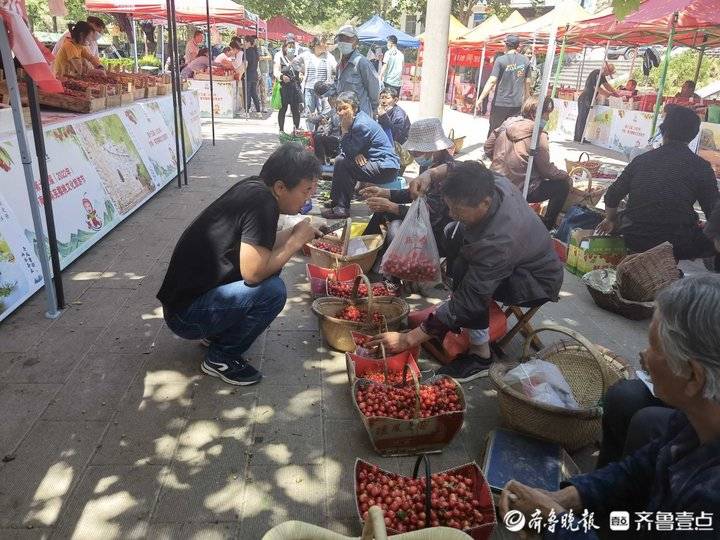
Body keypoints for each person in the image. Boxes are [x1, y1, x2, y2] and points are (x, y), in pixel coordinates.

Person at [498, 274, 720, 539]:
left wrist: (557, 525)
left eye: (653, 346)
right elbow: (641, 467)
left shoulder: (708, 499)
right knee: (637, 410)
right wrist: (567, 496)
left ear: (694, 376)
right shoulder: (694, 419)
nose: (644, 356)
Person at [369, 161, 563, 382]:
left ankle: (480, 356)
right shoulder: (489, 182)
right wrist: (429, 175)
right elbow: (454, 168)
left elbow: (472, 295)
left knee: (466, 276)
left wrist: (408, 340)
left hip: (534, 282)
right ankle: (452, 313)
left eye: (457, 209)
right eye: (450, 206)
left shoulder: (498, 242)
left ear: (485, 203)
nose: (451, 213)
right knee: (454, 236)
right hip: (517, 259)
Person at [157, 143, 322, 386]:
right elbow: (254, 273)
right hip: (185, 316)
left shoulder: (256, 188)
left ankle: (216, 332)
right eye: (306, 190)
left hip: (184, 304)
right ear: (280, 187)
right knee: (273, 291)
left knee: (274, 265)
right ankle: (221, 357)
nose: (309, 197)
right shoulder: (262, 204)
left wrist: (294, 232)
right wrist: (296, 242)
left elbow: (259, 246)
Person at [597, 105, 719, 263]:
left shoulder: (641, 160)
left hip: (634, 236)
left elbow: (612, 196)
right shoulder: (701, 167)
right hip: (677, 244)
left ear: (663, 130)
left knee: (621, 217)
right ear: (693, 135)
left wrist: (610, 219)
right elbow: (714, 213)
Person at [361, 118, 455, 253]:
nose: (413, 155)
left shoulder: (445, 174)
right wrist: (384, 192)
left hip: (435, 230)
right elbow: (415, 193)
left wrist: (391, 206)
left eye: (416, 152)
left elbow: (431, 217)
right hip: (422, 219)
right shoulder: (429, 166)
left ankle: (369, 256)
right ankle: (363, 252)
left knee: (394, 227)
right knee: (381, 212)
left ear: (433, 149)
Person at [485, 96, 571, 229]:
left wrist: (502, 158)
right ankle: (548, 225)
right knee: (563, 185)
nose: (548, 118)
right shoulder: (538, 133)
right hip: (521, 188)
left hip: (495, 181)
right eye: (547, 114)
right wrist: (564, 174)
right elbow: (546, 169)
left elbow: (488, 147)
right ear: (535, 113)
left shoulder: (507, 123)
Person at [321, 91, 400, 220]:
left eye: (345, 108)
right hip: (375, 162)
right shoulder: (357, 119)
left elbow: (349, 149)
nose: (341, 113)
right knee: (342, 159)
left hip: (385, 167)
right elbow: (347, 150)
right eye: (338, 109)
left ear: (355, 108)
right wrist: (354, 153)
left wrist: (345, 131)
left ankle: (341, 207)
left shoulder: (361, 124)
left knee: (343, 163)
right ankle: (337, 201)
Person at [476, 35, 531, 135]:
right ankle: (506, 150)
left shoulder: (500, 60)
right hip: (516, 104)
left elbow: (492, 81)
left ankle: (490, 150)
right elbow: (527, 82)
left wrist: (480, 99)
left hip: (500, 103)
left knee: (495, 129)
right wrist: (527, 100)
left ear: (506, 45)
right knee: (511, 131)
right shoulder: (526, 61)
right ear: (517, 46)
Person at [334, 25, 380, 117]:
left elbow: (374, 89)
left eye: (348, 39)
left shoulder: (362, 63)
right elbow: (336, 85)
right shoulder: (339, 64)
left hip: (360, 115)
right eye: (341, 39)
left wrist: (374, 109)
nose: (344, 42)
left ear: (356, 42)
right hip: (344, 115)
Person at [299, 37, 337, 130]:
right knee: (309, 114)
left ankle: (321, 134)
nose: (325, 45)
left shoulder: (329, 56)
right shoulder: (307, 55)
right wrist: (301, 71)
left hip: (323, 91)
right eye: (323, 43)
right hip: (309, 88)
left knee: (323, 113)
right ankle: (310, 135)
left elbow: (336, 68)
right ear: (316, 45)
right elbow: (295, 63)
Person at [574, 62, 617, 143]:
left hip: (588, 98)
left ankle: (579, 136)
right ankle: (579, 137)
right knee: (582, 118)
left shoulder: (602, 76)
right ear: (607, 70)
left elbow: (606, 85)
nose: (608, 75)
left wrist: (614, 92)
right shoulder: (597, 73)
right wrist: (607, 94)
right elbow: (596, 87)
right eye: (609, 73)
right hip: (585, 98)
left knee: (583, 118)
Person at [274, 37, 302, 132]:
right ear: (285, 46)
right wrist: (281, 77)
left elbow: (302, 68)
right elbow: (276, 71)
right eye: (289, 46)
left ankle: (296, 130)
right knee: (283, 109)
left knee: (295, 110)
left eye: (293, 45)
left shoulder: (297, 56)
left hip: (295, 86)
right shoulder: (279, 56)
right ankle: (281, 130)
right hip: (284, 87)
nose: (291, 48)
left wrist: (302, 74)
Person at [310, 82, 341, 164]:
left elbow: (338, 125)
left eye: (331, 98)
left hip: (339, 139)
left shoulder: (339, 110)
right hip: (333, 135)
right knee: (315, 134)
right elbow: (330, 124)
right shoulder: (333, 110)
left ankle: (321, 163)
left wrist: (326, 126)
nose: (328, 100)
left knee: (318, 137)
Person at [244, 36, 261, 114]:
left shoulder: (247, 52)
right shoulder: (255, 52)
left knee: (247, 94)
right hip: (255, 75)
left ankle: (247, 111)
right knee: (254, 94)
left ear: (248, 42)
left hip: (248, 75)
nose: (244, 43)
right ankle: (258, 111)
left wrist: (242, 72)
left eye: (245, 42)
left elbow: (246, 64)